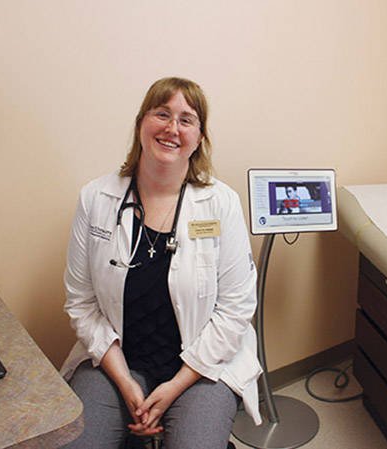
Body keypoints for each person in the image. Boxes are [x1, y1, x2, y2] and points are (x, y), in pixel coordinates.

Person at [60, 77, 262, 449]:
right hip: (116, 361)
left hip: (201, 367)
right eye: (162, 114)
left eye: (187, 120)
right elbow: (82, 302)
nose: (172, 128)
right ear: (141, 124)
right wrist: (125, 381)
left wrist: (175, 386)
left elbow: (236, 308)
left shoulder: (221, 204)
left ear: (199, 137)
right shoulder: (96, 198)